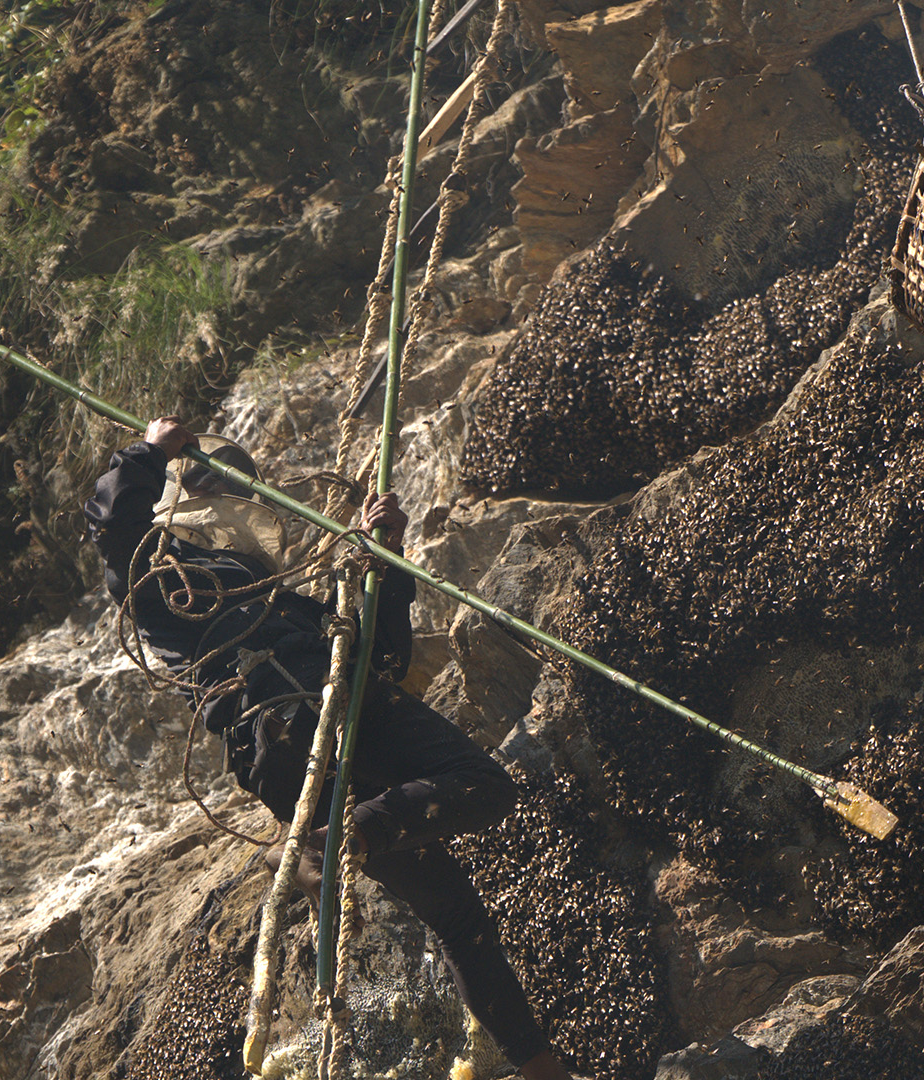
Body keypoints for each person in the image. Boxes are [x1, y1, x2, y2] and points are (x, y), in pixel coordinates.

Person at [85, 416, 574, 1080]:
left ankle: (539, 1068)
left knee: (458, 914)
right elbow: (115, 524)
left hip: (298, 741)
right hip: (309, 713)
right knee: (483, 785)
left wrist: (385, 564)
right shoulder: (158, 581)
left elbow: (384, 657)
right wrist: (148, 451)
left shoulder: (286, 600)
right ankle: (345, 839)